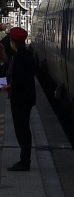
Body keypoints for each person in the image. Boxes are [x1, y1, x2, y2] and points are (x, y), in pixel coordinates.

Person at [3, 27, 37, 172]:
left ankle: (24, 162)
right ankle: (25, 160)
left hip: (20, 98)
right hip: (25, 98)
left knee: (21, 129)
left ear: (13, 42)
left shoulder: (21, 57)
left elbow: (20, 78)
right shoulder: (25, 54)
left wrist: (9, 86)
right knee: (23, 129)